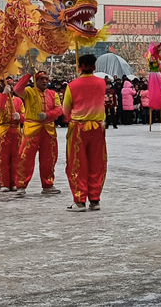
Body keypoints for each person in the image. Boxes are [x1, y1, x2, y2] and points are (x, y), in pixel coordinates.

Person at [62, 54, 107, 211]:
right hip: (97, 128)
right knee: (97, 163)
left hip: (78, 128)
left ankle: (80, 199)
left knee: (77, 164)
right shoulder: (102, 83)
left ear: (79, 67)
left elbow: (65, 110)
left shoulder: (72, 85)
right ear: (94, 66)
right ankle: (94, 199)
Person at [13, 71, 63, 196]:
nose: (45, 81)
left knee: (49, 158)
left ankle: (48, 184)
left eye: (46, 79)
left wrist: (48, 115)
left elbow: (59, 109)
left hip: (48, 128)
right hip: (32, 128)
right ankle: (21, 184)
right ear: (36, 81)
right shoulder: (29, 91)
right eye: (41, 79)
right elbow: (17, 89)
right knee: (25, 157)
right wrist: (28, 75)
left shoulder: (53, 94)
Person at [0, 79, 24, 192]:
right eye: (8, 85)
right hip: (3, 131)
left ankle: (14, 182)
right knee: (3, 158)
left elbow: (25, 115)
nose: (11, 87)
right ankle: (4, 182)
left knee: (16, 158)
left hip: (16, 131)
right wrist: (3, 95)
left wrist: (20, 117)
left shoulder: (18, 100)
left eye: (12, 85)